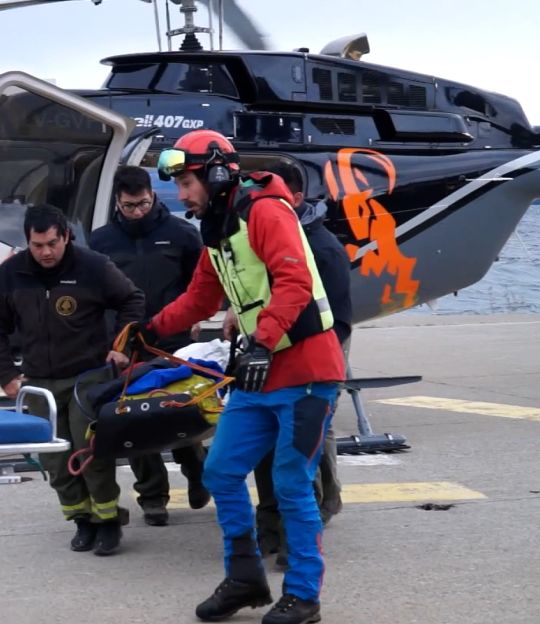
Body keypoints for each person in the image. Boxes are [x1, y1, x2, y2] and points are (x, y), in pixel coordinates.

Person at [133, 130, 345, 624]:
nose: (180, 194)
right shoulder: (219, 225)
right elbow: (202, 298)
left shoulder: (266, 211)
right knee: (221, 471)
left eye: (186, 182)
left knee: (291, 482)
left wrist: (263, 341)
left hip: (308, 370)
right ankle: (246, 577)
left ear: (215, 172)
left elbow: (294, 281)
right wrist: (147, 329)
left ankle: (305, 595)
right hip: (262, 374)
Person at [0, 203, 145, 556]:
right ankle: (82, 521)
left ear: (66, 236)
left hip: (86, 378)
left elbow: (132, 299)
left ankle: (108, 523)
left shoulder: (93, 267)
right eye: (37, 245)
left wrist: (121, 345)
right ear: (27, 241)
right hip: (39, 383)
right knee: (56, 462)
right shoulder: (10, 274)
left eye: (52, 243)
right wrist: (6, 374)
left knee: (90, 455)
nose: (45, 252)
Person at [232, 166, 352, 568]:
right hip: (275, 347)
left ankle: (318, 510)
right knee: (271, 445)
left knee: (307, 444)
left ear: (295, 198)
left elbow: (335, 316)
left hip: (314, 352)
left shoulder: (323, 248)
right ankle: (271, 526)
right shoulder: (261, 234)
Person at [88, 165, 210, 527]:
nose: (138, 211)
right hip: (127, 344)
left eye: (143, 203)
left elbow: (202, 283)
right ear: (117, 202)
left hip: (174, 339)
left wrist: (198, 317)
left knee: (180, 412)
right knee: (134, 420)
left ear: (153, 196)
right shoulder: (100, 242)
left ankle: (196, 473)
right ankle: (153, 496)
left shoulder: (183, 234)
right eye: (129, 206)